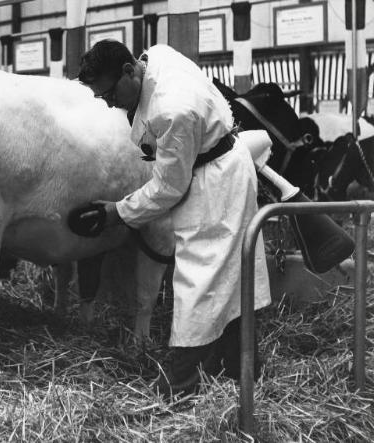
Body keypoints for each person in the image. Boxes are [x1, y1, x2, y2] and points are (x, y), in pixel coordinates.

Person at [77, 40, 271, 398]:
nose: (107, 103)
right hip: (219, 166)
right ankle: (240, 369)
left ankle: (178, 387)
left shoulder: (173, 110)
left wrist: (116, 212)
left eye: (108, 93)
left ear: (128, 70)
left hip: (216, 184)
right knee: (231, 277)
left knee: (200, 282)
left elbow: (168, 189)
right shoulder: (158, 55)